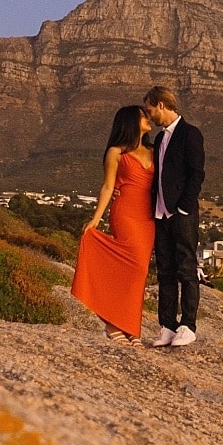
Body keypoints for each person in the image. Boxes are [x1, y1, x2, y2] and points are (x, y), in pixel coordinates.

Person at [70, 105, 156, 346]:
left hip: (148, 218)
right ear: (130, 121)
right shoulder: (116, 152)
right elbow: (108, 186)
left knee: (139, 272)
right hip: (125, 213)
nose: (148, 118)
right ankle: (112, 325)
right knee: (134, 267)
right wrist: (96, 218)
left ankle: (130, 328)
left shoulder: (155, 150)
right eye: (143, 115)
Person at [142, 86, 205, 347]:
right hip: (160, 214)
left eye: (150, 110)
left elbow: (197, 174)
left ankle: (188, 325)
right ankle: (167, 325)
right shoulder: (159, 139)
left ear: (161, 105)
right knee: (165, 271)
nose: (149, 115)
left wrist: (183, 208)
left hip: (181, 214)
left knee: (186, 269)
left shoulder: (190, 133)